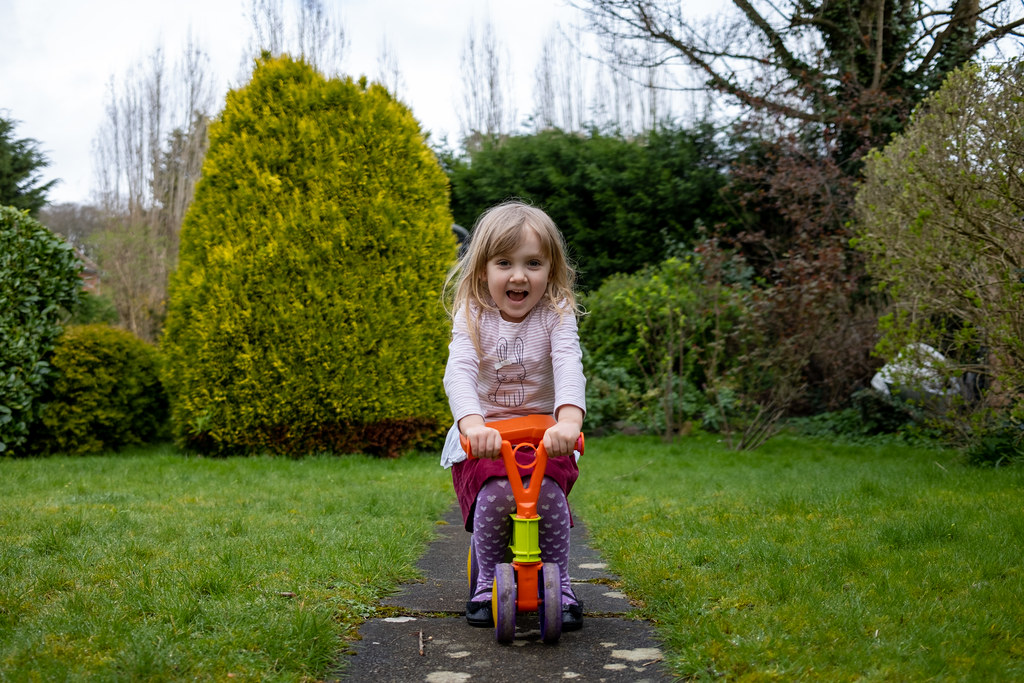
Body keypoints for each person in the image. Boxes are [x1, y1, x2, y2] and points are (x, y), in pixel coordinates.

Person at [440, 199, 586, 632]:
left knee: (549, 499)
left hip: (546, 432)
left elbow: (568, 365)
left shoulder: (555, 316)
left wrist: (569, 421)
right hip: (485, 434)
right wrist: (471, 425)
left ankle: (560, 583)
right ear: (483, 270)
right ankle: (486, 581)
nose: (519, 275)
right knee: (496, 494)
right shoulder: (473, 315)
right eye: (505, 262)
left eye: (533, 263)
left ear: (551, 270)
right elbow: (460, 372)